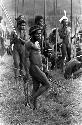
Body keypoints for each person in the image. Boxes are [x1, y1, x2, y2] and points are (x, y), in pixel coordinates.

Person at [23, 25, 50, 110]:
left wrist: (43, 58)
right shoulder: (28, 44)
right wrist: (27, 72)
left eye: (40, 34)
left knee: (36, 87)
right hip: (33, 67)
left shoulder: (36, 43)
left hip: (38, 67)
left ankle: (34, 108)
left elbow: (36, 55)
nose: (39, 35)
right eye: (37, 34)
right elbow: (26, 59)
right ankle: (31, 99)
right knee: (47, 84)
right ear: (32, 34)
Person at [9, 15, 27, 82]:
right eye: (22, 25)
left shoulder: (24, 32)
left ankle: (21, 76)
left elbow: (25, 42)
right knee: (16, 63)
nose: (23, 27)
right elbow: (11, 41)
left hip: (23, 48)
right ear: (18, 25)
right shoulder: (14, 31)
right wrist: (14, 39)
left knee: (22, 63)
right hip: (16, 48)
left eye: (24, 26)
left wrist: (20, 39)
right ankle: (16, 77)